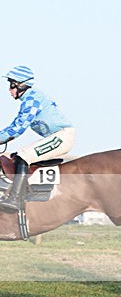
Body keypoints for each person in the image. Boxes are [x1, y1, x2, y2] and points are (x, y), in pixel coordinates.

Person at [0, 65, 75, 212]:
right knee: (18, 156)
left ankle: (15, 199)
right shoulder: (31, 98)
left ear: (21, 85)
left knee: (23, 156)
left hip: (62, 135)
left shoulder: (32, 99)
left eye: (11, 85)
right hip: (59, 135)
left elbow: (17, 128)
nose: (9, 90)